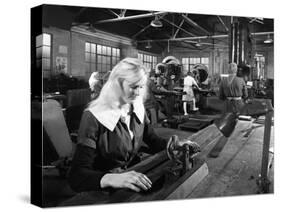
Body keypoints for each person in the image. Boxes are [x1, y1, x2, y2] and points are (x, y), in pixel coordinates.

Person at [68, 58, 199, 193]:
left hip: (131, 177)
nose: (138, 93)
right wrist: (111, 179)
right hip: (102, 187)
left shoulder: (136, 107)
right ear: (117, 84)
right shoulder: (94, 116)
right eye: (133, 87)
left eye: (141, 87)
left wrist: (173, 145)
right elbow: (77, 175)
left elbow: (152, 140)